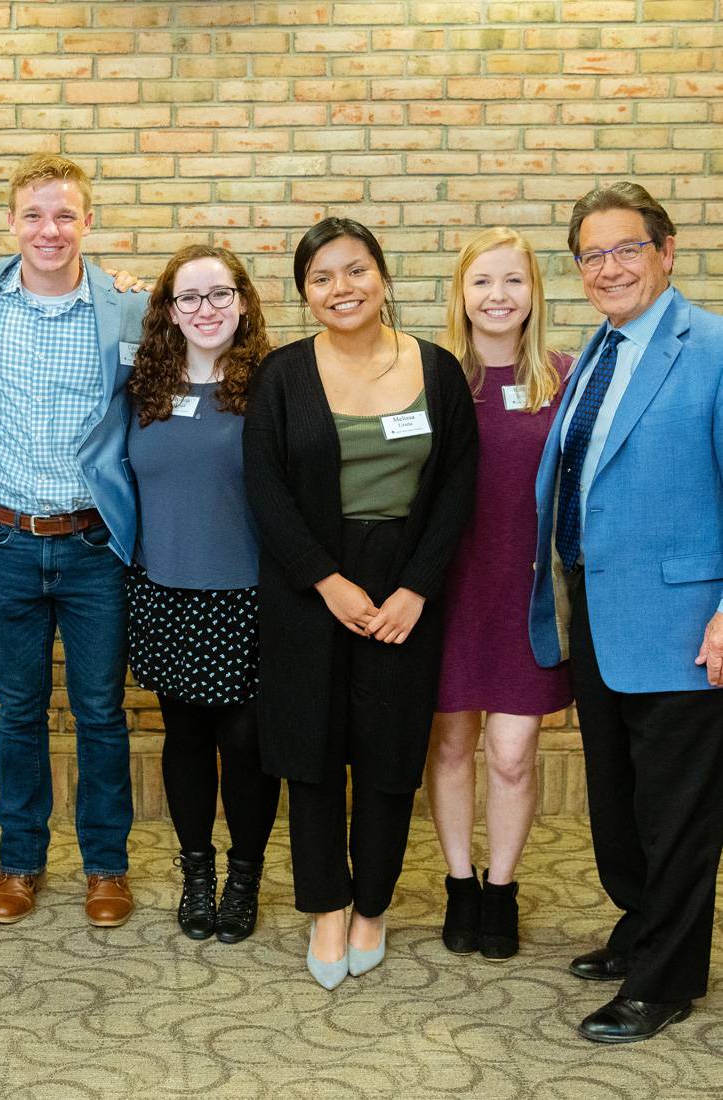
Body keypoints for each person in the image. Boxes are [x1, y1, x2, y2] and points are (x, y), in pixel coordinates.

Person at [244, 218, 478, 989]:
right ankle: (326, 908)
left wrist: (416, 587)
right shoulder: (281, 375)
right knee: (309, 753)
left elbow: (456, 489)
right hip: (307, 584)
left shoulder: (438, 370)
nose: (340, 289)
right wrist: (325, 579)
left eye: (355, 271)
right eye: (321, 277)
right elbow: (265, 490)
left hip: (407, 582)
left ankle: (372, 904)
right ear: (304, 292)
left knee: (388, 755)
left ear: (382, 275)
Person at [530, 182, 723, 1043]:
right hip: (599, 614)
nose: (609, 268)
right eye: (593, 256)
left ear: (668, 250)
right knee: (619, 799)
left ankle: (667, 980)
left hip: (686, 623)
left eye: (627, 249)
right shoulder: (596, 352)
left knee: (677, 811)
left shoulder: (711, 347)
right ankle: (644, 925)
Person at [0, 154, 148, 928]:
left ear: (88, 221)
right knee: (18, 712)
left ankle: (106, 867)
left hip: (96, 547)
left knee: (100, 712)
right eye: (34, 215)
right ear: (11, 222)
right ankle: (19, 863)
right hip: (5, 544)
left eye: (64, 215)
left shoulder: (129, 306)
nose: (49, 230)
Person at [425, 228, 573, 961]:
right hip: (446, 593)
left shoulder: (564, 378)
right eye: (482, 282)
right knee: (450, 744)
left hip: (527, 596)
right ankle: (459, 883)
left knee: (512, 752)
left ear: (533, 293)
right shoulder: (429, 377)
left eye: (512, 282)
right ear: (461, 293)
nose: (497, 297)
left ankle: (502, 888)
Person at [126, 245, 280, 943]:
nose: (205, 310)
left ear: (243, 301)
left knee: (246, 746)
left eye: (219, 294)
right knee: (184, 739)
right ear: (168, 311)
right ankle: (196, 874)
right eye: (188, 297)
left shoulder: (273, 383)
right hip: (165, 590)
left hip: (248, 594)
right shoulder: (143, 387)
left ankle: (244, 878)